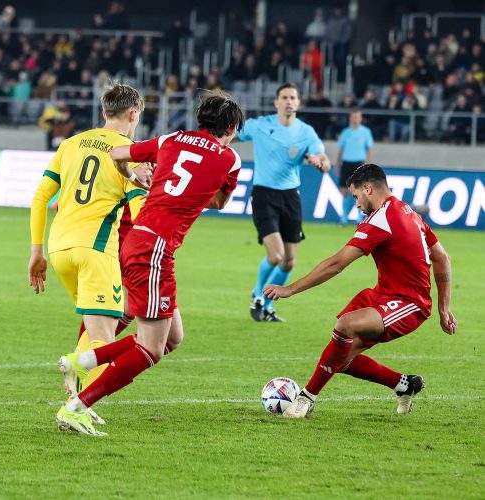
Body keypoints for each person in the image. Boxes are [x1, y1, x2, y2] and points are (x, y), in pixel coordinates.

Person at [54, 90, 245, 436]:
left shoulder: (172, 139)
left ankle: (79, 361)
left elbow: (117, 153)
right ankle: (77, 407)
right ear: (231, 127)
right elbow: (217, 201)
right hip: (155, 248)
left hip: (139, 240)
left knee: (173, 338)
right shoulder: (230, 158)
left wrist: (136, 174)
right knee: (151, 349)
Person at [264, 163, 457, 419]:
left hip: (410, 302)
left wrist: (290, 289)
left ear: (368, 188)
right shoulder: (407, 212)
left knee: (346, 325)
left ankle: (307, 398)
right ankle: (405, 385)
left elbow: (335, 264)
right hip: (383, 294)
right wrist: (445, 308)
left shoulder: (382, 219)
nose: (356, 204)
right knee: (338, 359)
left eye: (356, 197)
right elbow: (442, 257)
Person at [28, 82, 152, 430]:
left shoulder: (70, 144)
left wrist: (36, 252)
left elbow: (40, 198)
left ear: (103, 112)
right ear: (134, 114)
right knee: (102, 338)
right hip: (95, 250)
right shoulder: (131, 152)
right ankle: (77, 407)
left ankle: (76, 396)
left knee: (98, 329)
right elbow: (141, 213)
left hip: (58, 249)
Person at [237, 82, 331, 323]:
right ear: (276, 102)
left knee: (289, 261)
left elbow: (324, 159)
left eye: (293, 98)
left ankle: (266, 306)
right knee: (276, 255)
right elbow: (229, 134)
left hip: (291, 196)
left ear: (298, 103)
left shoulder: (306, 132)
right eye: (285, 97)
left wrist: (321, 163)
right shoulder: (260, 125)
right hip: (264, 195)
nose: (289, 101)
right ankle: (258, 294)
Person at [336, 110, 373, 225]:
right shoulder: (345, 132)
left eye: (357, 117)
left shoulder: (366, 132)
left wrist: (368, 164)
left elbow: (369, 149)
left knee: (360, 191)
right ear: (350, 118)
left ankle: (359, 218)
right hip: (346, 163)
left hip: (359, 164)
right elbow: (340, 149)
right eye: (353, 117)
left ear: (360, 118)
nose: (355, 119)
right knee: (344, 191)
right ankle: (344, 217)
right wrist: (338, 164)